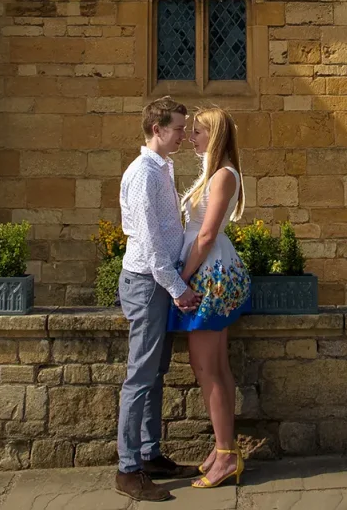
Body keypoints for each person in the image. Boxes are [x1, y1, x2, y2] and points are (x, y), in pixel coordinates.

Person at [114, 96, 198, 502]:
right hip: (149, 284)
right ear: (156, 129)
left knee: (155, 372)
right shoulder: (144, 174)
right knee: (140, 376)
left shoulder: (162, 167)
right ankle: (128, 470)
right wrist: (178, 289)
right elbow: (148, 242)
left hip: (156, 284)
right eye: (179, 128)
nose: (183, 135)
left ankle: (150, 454)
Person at [170, 106, 250, 489]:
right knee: (215, 365)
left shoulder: (222, 176)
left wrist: (180, 280)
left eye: (199, 132)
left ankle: (225, 455)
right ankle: (224, 449)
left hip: (208, 277)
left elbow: (205, 235)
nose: (191, 137)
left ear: (214, 135)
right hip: (212, 272)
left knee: (207, 368)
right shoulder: (216, 173)